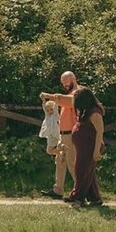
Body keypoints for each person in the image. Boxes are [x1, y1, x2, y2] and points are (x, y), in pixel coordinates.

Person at [42, 86, 105, 206]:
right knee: (88, 173)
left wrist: (96, 151)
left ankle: (78, 197)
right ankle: (95, 198)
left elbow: (99, 132)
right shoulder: (86, 111)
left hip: (90, 147)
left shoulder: (95, 113)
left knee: (81, 171)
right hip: (83, 146)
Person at [40, 71, 80, 199]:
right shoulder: (68, 94)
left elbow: (67, 101)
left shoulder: (78, 93)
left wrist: (49, 96)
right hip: (62, 134)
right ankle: (58, 189)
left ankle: (80, 190)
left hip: (70, 134)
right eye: (63, 83)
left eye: (66, 82)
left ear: (73, 79)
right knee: (60, 161)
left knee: (71, 163)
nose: (65, 85)